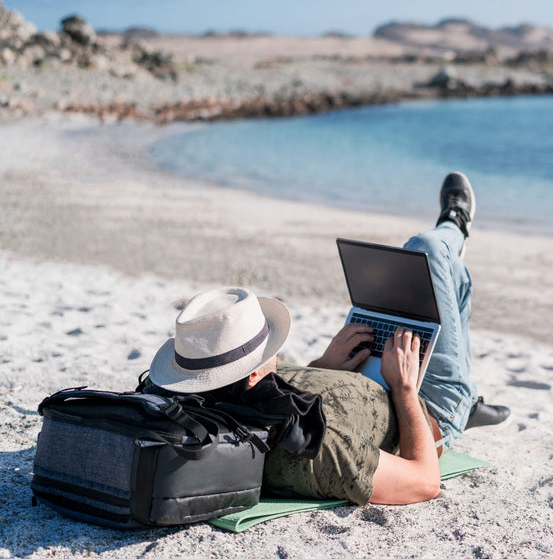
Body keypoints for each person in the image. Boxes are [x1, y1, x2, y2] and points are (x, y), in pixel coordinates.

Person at [144, 172, 509, 505]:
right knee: (428, 249)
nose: (274, 348)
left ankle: (453, 249)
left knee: (439, 278)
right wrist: (405, 391)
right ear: (253, 374)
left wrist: (323, 366)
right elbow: (424, 481)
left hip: (370, 374)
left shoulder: (215, 400)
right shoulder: (315, 442)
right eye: (266, 344)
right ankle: (455, 225)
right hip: (429, 406)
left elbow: (275, 388)